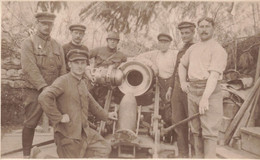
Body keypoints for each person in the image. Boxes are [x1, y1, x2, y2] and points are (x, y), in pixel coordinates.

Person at [38, 49, 118, 158]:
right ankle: (40, 157)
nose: (80, 66)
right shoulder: (63, 81)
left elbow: (92, 104)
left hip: (85, 132)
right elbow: (44, 97)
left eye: (83, 63)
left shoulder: (82, 83)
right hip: (68, 135)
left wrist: (107, 115)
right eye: (76, 63)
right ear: (69, 64)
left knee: (105, 148)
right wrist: (58, 117)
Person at [178, 17, 228, 158]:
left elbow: (213, 75)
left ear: (213, 29)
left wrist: (205, 98)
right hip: (192, 90)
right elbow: (182, 65)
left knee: (210, 132)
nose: (204, 30)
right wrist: (183, 82)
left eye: (207, 27)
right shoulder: (193, 48)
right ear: (197, 30)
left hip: (210, 92)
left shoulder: (218, 49)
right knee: (195, 129)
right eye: (201, 27)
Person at [20, 12, 66, 158]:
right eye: (44, 23)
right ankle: (26, 155)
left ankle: (62, 153)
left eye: (50, 24)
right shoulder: (29, 43)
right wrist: (43, 87)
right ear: (37, 24)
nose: (47, 27)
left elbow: (62, 69)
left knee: (59, 122)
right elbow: (29, 67)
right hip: (35, 90)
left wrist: (60, 88)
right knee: (30, 122)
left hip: (54, 91)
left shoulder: (57, 45)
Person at [135, 32, 178, 129]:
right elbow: (139, 57)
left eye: (165, 43)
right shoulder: (155, 54)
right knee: (164, 105)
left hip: (173, 81)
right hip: (161, 82)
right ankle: (166, 129)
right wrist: (151, 64)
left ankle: (174, 131)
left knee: (174, 105)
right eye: (161, 42)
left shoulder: (174, 54)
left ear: (169, 43)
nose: (163, 45)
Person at [171, 21, 196, 158]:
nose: (184, 35)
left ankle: (195, 155)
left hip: (190, 88)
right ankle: (183, 155)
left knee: (192, 123)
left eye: (187, 33)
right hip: (177, 88)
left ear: (193, 33)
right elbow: (175, 70)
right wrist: (170, 88)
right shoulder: (181, 50)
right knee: (178, 121)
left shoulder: (197, 48)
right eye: (182, 33)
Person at [88, 31, 127, 106]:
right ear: (107, 41)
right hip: (96, 81)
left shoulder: (121, 56)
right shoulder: (98, 50)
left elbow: (127, 65)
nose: (112, 42)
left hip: (109, 85)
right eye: (110, 40)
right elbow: (85, 56)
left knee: (105, 102)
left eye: (115, 40)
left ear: (117, 42)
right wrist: (89, 69)